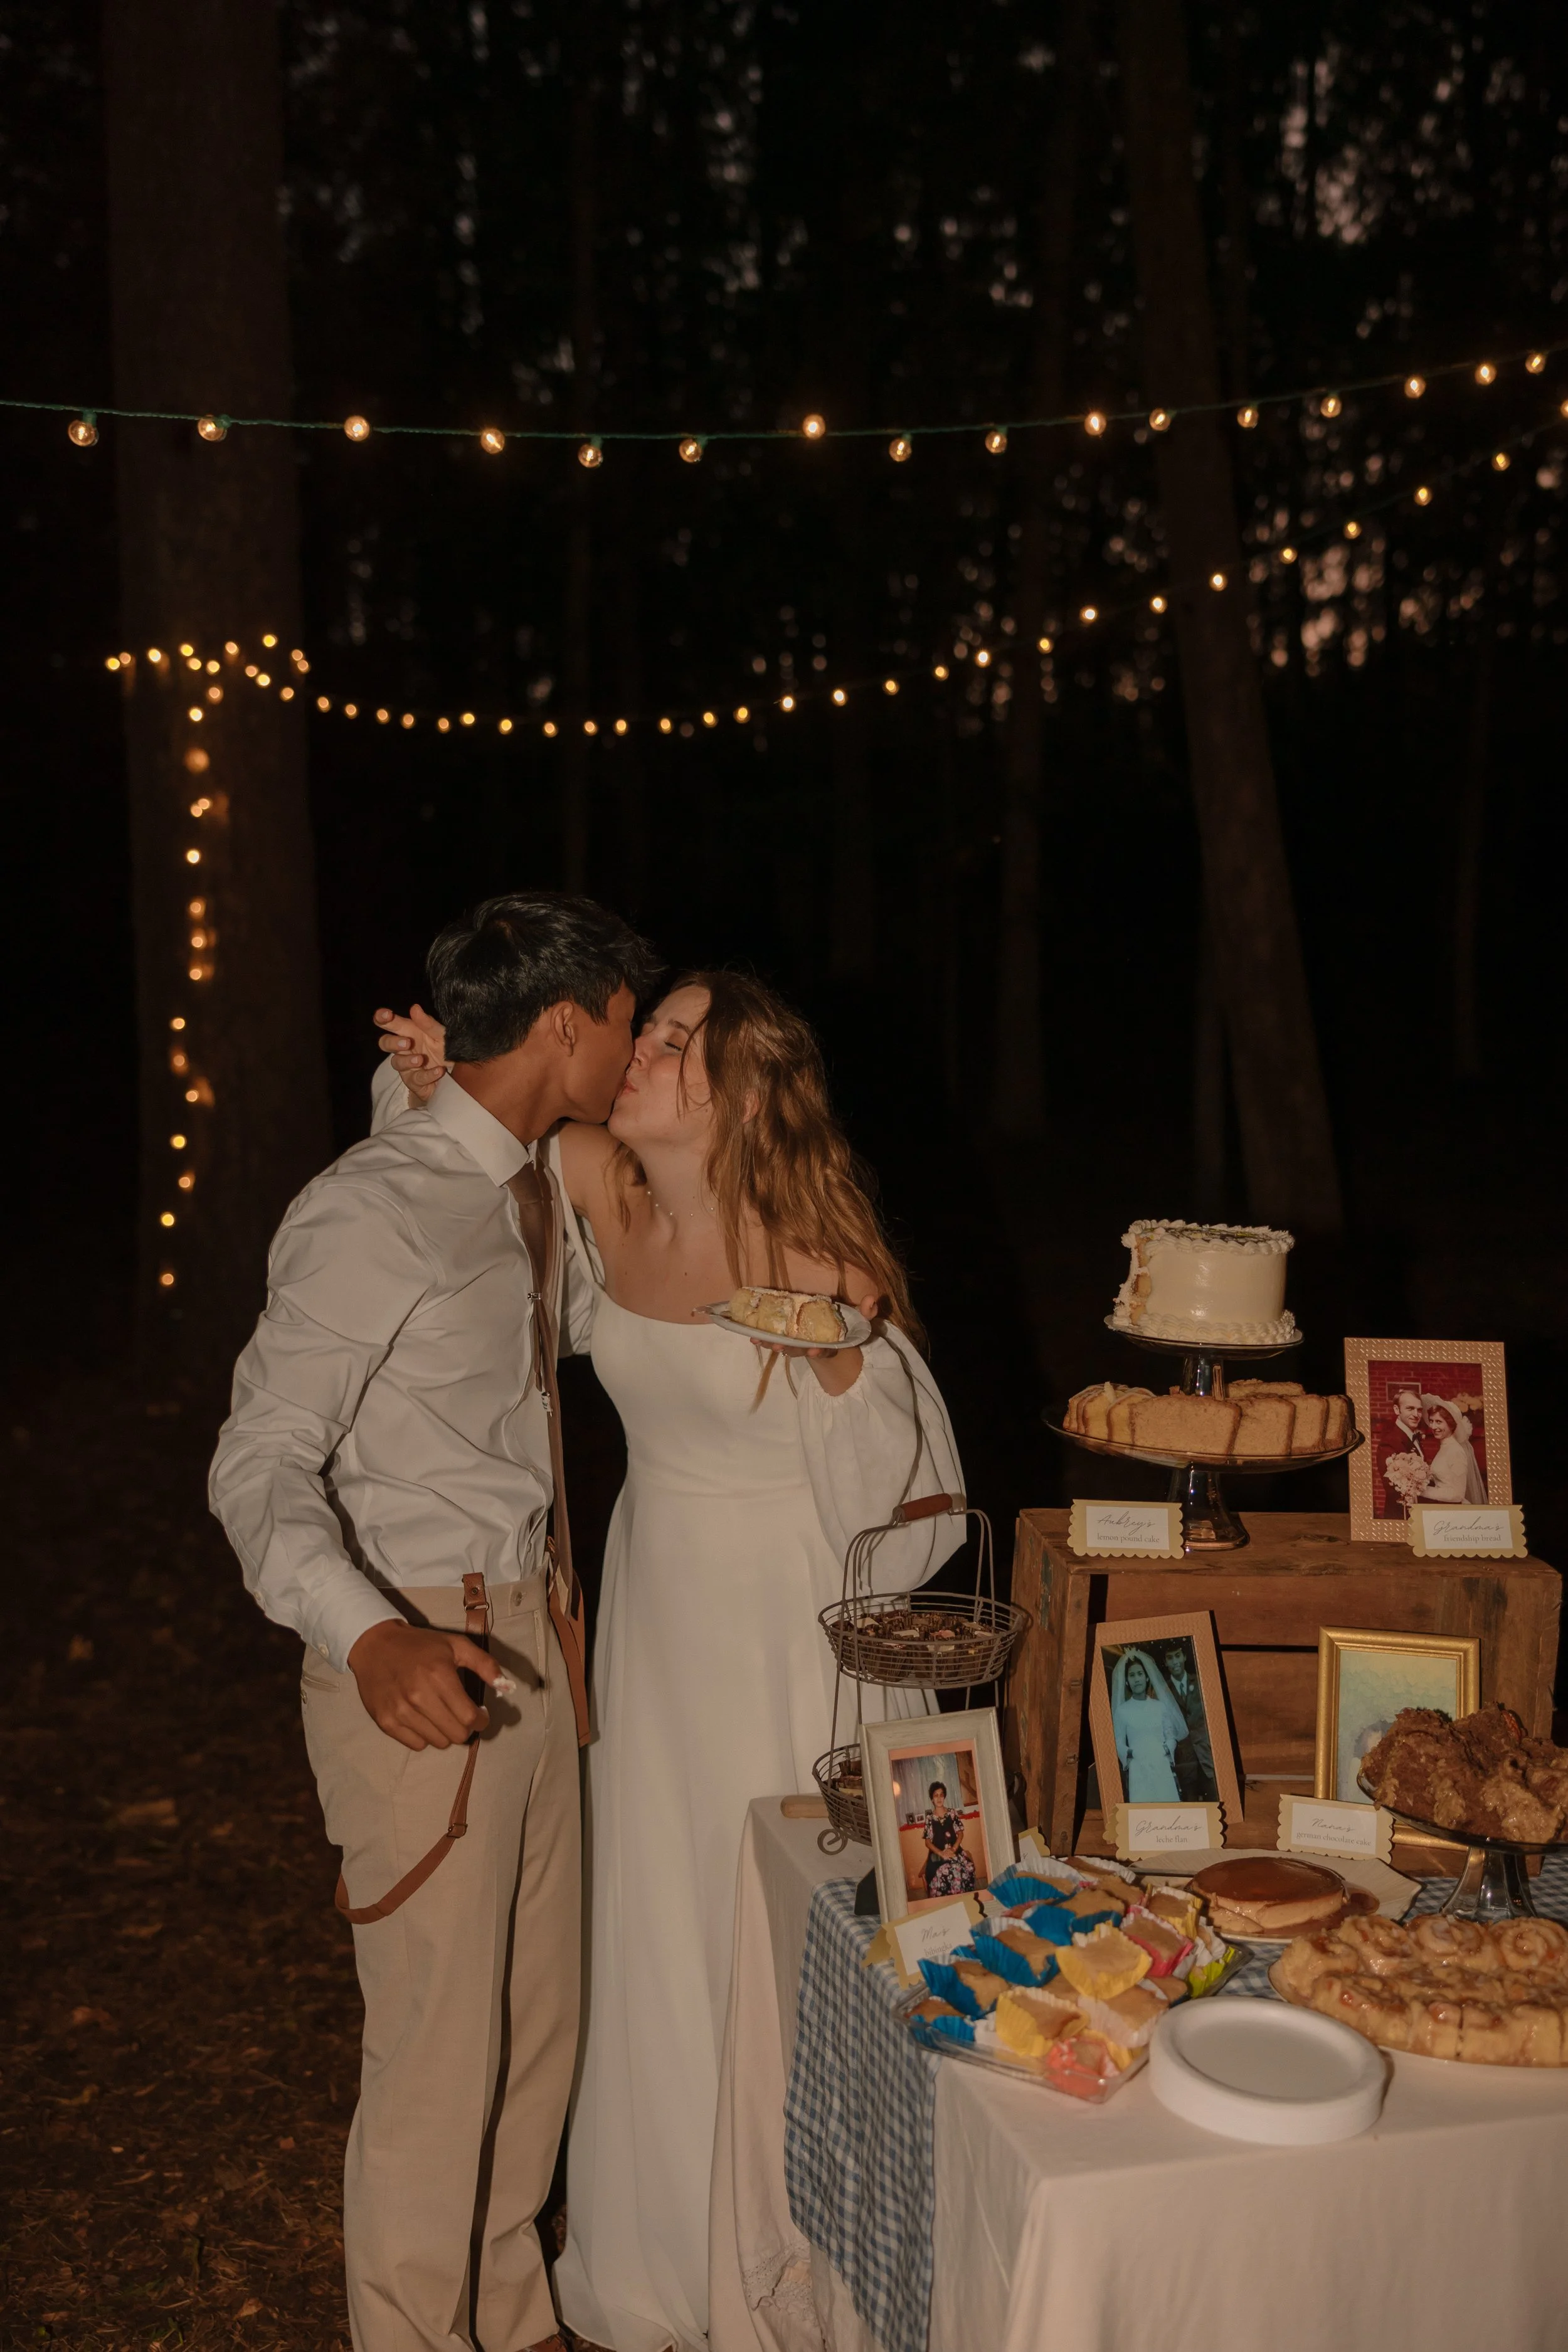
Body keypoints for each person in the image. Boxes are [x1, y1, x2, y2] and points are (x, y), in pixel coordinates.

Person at [376, 968, 965, 2352]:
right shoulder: (605, 1185)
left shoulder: (818, 1256)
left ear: (743, 1097)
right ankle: (660, 2258)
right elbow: (492, 1133)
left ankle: (807, 2258)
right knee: (656, 1921)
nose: (640, 1051)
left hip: (785, 1633)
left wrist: (842, 1362)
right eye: (647, 1032)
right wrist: (436, 1075)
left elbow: (914, 1511)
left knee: (774, 1927)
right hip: (656, 1617)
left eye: (676, 1041)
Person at [210, 891, 660, 2352]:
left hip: (535, 1639)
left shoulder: (511, 1185)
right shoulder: (371, 1205)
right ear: (566, 1025)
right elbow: (258, 1456)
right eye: (628, 1021)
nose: (635, 1049)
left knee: (533, 2038)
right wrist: (365, 1633)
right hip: (419, 1651)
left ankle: (509, 2323)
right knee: (434, 2057)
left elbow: (557, 1331)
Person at [1110, 1648, 1188, 1802]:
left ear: (1147, 1677)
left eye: (1140, 1674)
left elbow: (1171, 1736)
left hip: (1161, 1764)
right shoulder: (1122, 1711)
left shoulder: (1160, 1707)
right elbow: (1118, 1741)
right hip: (1138, 1768)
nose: (1137, 1679)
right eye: (1132, 1675)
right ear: (1127, 1681)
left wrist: (1165, 1749)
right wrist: (1132, 1754)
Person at [1158, 1641, 1216, 1802]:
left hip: (1207, 1756)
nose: (1175, 1662)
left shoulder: (1201, 1682)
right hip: (1184, 1762)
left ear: (1184, 1657)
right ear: (1165, 1662)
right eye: (1170, 1658)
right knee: (1191, 1808)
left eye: (1178, 1656)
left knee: (1216, 1801)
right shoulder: (1163, 1692)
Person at [1376, 1384, 1431, 1515]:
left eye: (1419, 1410)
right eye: (1410, 1409)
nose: (1416, 1415)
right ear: (1397, 1410)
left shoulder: (1414, 1437)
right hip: (1401, 1514)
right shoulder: (1389, 1443)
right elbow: (1394, 1489)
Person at [1419, 1397, 1487, 1503]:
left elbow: (1457, 1495)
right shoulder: (1445, 1447)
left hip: (1453, 1508)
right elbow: (1445, 1477)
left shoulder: (1456, 1451)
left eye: (1439, 1422)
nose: (1433, 1426)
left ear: (1451, 1424)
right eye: (1431, 1421)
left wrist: (1421, 1491)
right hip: (1443, 1505)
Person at [921, 1780, 977, 1898]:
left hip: (955, 1851)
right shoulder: (929, 1818)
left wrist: (954, 1849)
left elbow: (960, 1833)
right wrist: (941, 1853)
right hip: (937, 1854)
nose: (939, 1798)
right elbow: (928, 1842)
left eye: (941, 1795)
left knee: (962, 1869)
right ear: (932, 1799)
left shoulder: (952, 1813)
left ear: (944, 1797)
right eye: (936, 1795)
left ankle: (962, 1899)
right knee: (941, 1874)